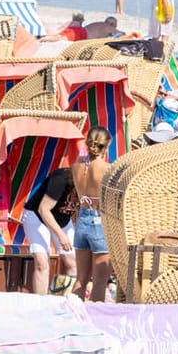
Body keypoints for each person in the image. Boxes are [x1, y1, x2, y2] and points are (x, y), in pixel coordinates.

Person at [23, 156, 78, 296]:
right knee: (42, 262)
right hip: (37, 216)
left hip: (62, 220)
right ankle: (41, 304)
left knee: (72, 262)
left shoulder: (90, 184)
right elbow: (43, 210)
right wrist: (61, 236)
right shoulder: (60, 179)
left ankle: (61, 299)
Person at [71, 128, 113, 302]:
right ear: (106, 146)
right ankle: (95, 319)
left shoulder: (77, 165)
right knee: (100, 281)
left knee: (81, 278)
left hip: (82, 218)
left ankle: (72, 314)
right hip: (98, 219)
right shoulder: (107, 169)